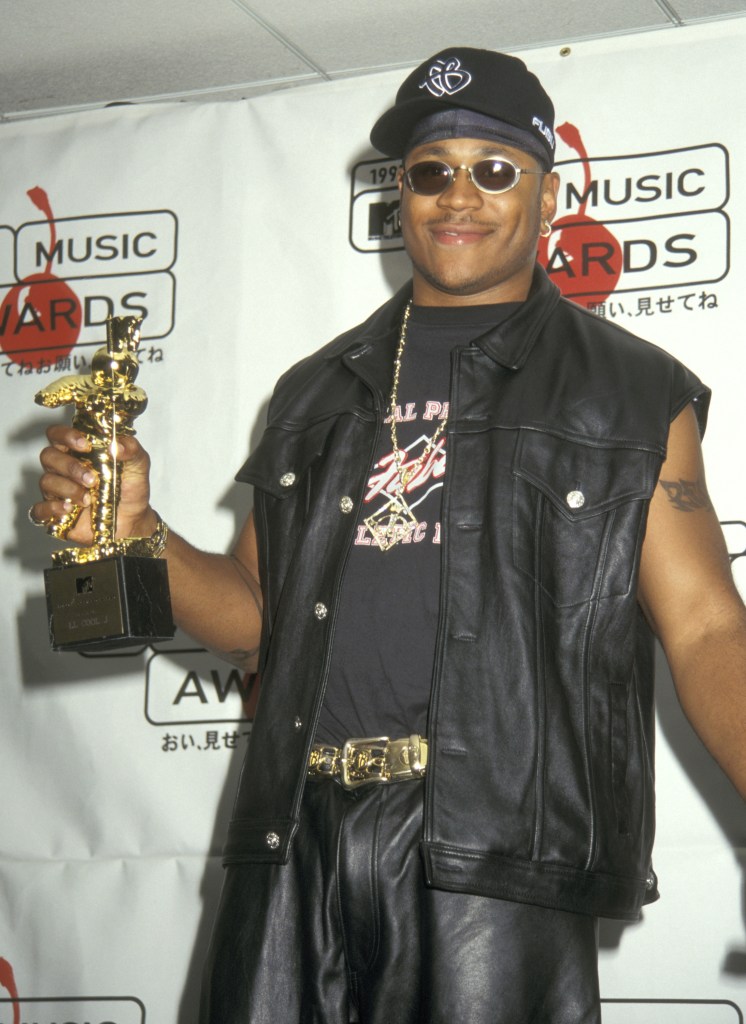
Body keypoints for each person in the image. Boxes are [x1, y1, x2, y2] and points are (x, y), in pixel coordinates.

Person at [30, 47, 746, 1024]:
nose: (458, 194)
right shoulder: (315, 391)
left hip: (487, 851)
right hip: (292, 840)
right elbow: (252, 624)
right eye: (429, 170)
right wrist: (136, 532)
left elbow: (706, 629)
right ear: (399, 197)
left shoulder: (627, 391)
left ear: (546, 198)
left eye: (494, 169)